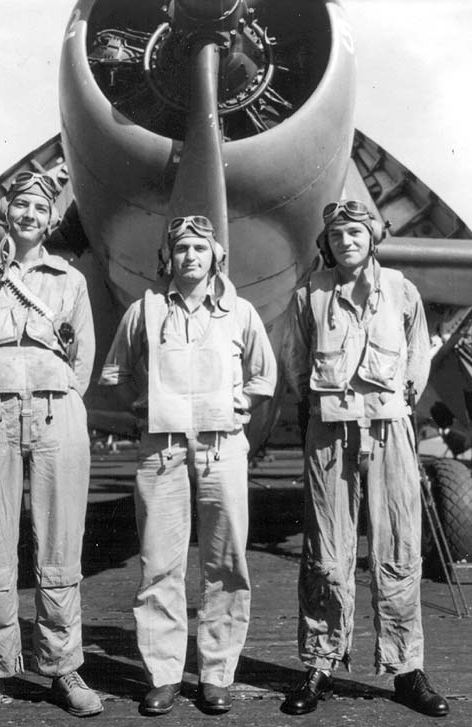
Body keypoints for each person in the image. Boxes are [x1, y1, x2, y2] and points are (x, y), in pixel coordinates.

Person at [100, 215, 277, 715]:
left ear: (216, 256)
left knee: (226, 564)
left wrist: (245, 406)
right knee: (160, 564)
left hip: (223, 448)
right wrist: (143, 401)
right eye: (182, 249)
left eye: (201, 248)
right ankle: (164, 675)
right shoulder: (145, 311)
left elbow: (265, 374)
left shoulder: (239, 312)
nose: (191, 257)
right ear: (169, 258)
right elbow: (114, 370)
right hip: (163, 450)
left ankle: (217, 674)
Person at [0, 172, 102, 721]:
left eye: (40, 206)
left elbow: (82, 360)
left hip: (58, 413)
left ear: (50, 218)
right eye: (21, 204)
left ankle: (62, 667)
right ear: (5, 212)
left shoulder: (69, 281)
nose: (30, 213)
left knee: (60, 541)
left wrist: (59, 402)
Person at [281, 200, 449, 717]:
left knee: (397, 549)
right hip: (329, 434)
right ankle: (320, 663)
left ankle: (405, 669)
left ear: (371, 237)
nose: (345, 241)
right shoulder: (310, 294)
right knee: (326, 554)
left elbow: (418, 357)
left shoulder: (401, 290)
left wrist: (394, 405)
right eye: (336, 234)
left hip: (389, 430)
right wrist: (324, 412)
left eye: (355, 232)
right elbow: (295, 361)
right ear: (326, 244)